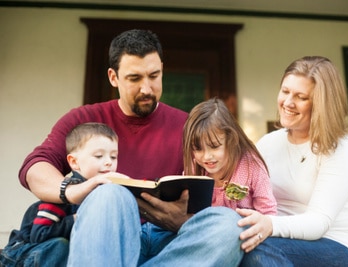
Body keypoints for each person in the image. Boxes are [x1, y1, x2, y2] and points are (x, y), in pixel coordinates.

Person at [18, 29, 244, 266]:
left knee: (229, 225)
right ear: (113, 77)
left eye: (154, 76)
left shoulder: (188, 126)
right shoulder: (84, 119)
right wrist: (74, 191)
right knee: (109, 193)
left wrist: (184, 221)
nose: (146, 88)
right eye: (134, 79)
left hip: (169, 240)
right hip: (106, 241)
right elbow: (34, 168)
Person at [237, 56, 348, 266]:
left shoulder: (340, 148)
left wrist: (269, 224)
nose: (288, 102)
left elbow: (319, 222)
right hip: (276, 242)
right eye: (285, 91)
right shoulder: (268, 144)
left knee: (257, 251)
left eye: (301, 97)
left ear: (321, 105)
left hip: (335, 248)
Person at [1, 122, 121, 266]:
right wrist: (77, 219)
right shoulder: (61, 195)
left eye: (113, 157)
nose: (108, 162)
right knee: (61, 246)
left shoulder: (105, 193)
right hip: (23, 253)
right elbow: (39, 235)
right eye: (99, 156)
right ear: (74, 162)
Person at [183, 98, 277, 215]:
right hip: (205, 227)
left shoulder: (251, 166)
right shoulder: (194, 167)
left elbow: (268, 212)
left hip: (241, 228)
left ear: (231, 140)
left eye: (214, 146)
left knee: (228, 217)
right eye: (198, 149)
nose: (207, 156)